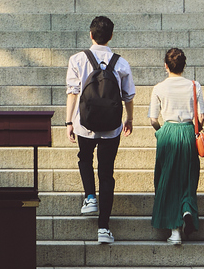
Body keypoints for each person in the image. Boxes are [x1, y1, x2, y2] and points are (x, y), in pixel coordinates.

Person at [65, 15, 135, 246]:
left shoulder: (77, 59)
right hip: (112, 127)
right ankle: (104, 228)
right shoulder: (121, 63)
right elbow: (128, 96)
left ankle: (90, 197)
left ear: (91, 34)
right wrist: (129, 119)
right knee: (106, 174)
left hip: (84, 124)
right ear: (111, 36)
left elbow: (73, 92)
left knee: (84, 159)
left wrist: (68, 123)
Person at [148, 47, 204, 246]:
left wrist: (160, 131)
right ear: (184, 65)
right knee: (188, 177)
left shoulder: (159, 87)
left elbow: (153, 119)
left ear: (166, 66)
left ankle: (175, 232)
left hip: (168, 131)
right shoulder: (194, 85)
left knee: (168, 179)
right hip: (188, 132)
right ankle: (187, 209)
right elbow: (202, 116)